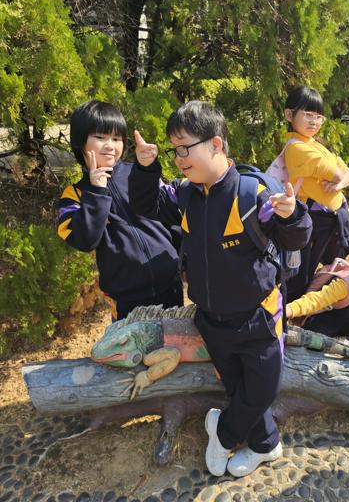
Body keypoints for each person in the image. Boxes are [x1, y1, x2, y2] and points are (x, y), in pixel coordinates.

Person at [128, 100, 312, 477]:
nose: (179, 158)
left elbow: (297, 237)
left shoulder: (253, 193)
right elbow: (146, 206)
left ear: (215, 143)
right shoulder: (186, 194)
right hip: (211, 320)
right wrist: (146, 168)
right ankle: (266, 445)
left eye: (185, 148)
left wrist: (292, 214)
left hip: (259, 317)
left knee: (263, 389)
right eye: (174, 150)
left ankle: (223, 433)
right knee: (238, 388)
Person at [56, 100, 183, 320]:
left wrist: (148, 169)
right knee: (134, 343)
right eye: (100, 137)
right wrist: (96, 193)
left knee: (175, 340)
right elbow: (84, 240)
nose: (110, 145)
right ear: (80, 141)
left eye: (116, 139)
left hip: (170, 286)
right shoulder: (75, 194)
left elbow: (169, 214)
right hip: (127, 299)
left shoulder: (138, 174)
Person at [279, 86, 349, 301]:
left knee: (332, 272)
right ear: (289, 115)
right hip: (312, 222)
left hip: (331, 221)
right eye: (307, 114)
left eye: (319, 116)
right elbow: (336, 172)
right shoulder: (297, 148)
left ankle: (317, 308)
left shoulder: (317, 145)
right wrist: (340, 179)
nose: (314, 121)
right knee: (300, 278)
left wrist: (340, 182)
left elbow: (347, 174)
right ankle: (292, 314)